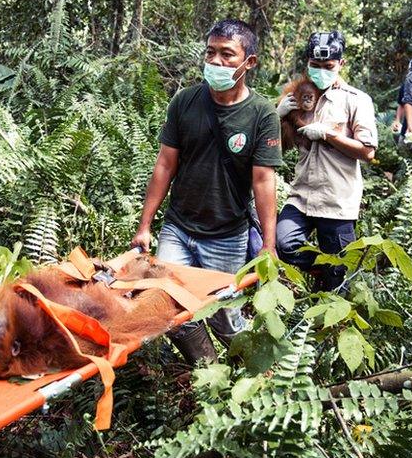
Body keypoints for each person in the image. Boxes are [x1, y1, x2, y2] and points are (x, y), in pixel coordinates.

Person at [131, 19, 282, 363]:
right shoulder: (185, 102)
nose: (215, 62)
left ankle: (260, 372)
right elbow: (165, 165)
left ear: (250, 62)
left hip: (226, 235)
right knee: (168, 304)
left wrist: (269, 245)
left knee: (223, 314)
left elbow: (263, 181)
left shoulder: (261, 114)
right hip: (178, 227)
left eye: (227, 55)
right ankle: (207, 370)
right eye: (210, 52)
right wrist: (145, 226)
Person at [276, 31, 377, 292]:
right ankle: (322, 269)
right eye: (316, 66)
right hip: (301, 195)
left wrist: (329, 135)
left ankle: (330, 307)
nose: (321, 72)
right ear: (307, 65)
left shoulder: (356, 100)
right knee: (283, 242)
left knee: (337, 280)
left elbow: (367, 152)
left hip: (337, 201)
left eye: (328, 67)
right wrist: (277, 118)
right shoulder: (297, 94)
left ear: (341, 64)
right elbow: (278, 146)